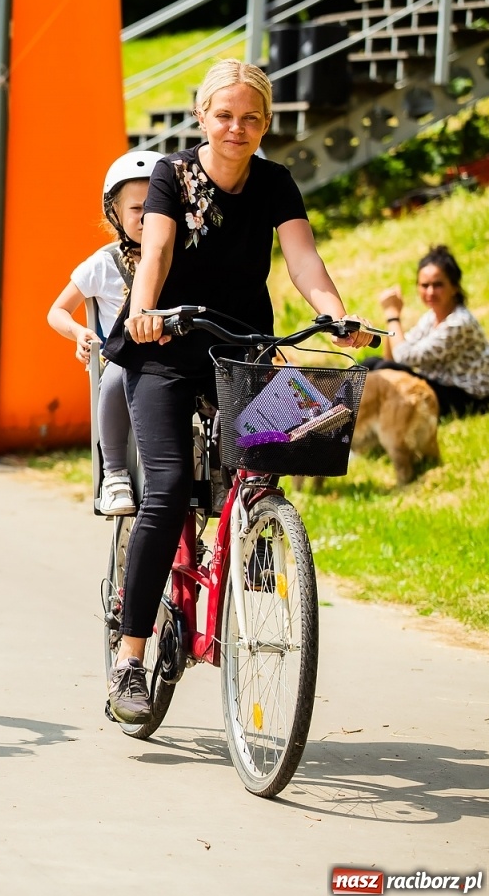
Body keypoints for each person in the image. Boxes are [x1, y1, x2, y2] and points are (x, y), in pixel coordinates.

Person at [102, 60, 370, 725]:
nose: (236, 128)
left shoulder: (275, 182)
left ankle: (251, 560)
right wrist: (144, 310)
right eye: (224, 115)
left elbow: (302, 258)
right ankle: (130, 658)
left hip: (241, 349)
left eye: (251, 117)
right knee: (167, 489)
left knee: (265, 465)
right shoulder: (171, 176)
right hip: (164, 347)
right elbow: (157, 252)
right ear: (202, 116)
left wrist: (335, 314)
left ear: (266, 123)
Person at [47, 149, 161, 516]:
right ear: (115, 213)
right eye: (136, 208)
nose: (146, 217)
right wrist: (79, 332)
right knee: (118, 373)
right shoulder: (105, 263)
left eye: (156, 206)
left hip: (174, 354)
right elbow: (57, 311)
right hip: (127, 357)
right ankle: (114, 475)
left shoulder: (184, 257)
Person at [370, 245, 489, 416]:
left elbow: (403, 357)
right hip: (442, 386)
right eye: (425, 285)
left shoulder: (459, 323)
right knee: (372, 363)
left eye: (438, 285)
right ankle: (342, 407)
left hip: (471, 398)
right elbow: (393, 356)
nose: (430, 292)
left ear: (454, 287)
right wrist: (391, 320)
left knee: (385, 369)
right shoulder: (431, 317)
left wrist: (392, 315)